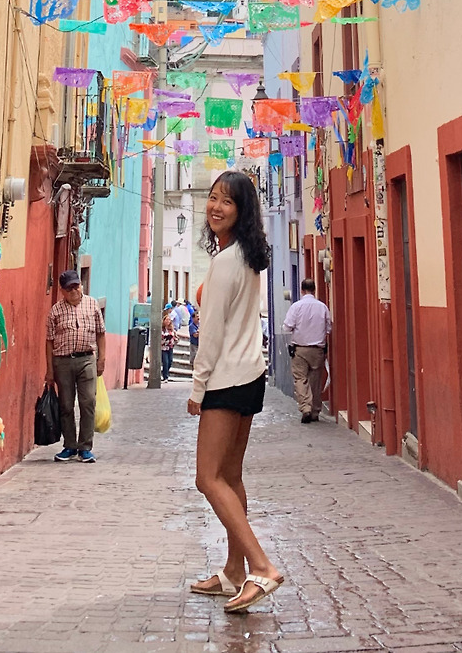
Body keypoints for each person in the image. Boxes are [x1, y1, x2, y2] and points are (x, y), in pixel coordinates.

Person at [187, 172, 284, 614]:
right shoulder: (246, 256)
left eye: (226, 201)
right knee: (231, 475)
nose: (215, 207)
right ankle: (232, 571)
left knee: (207, 478)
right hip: (250, 376)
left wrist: (197, 387)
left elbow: (211, 334)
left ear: (242, 211)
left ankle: (261, 567)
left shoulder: (226, 262)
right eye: (212, 198)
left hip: (226, 379)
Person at [45, 270, 105, 463]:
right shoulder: (55, 311)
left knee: (88, 401)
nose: (74, 291)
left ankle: (85, 447)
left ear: (81, 285)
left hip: (87, 359)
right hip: (62, 361)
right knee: (66, 404)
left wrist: (101, 359)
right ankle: (70, 445)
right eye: (69, 288)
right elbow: (49, 341)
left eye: (76, 286)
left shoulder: (92, 304)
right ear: (62, 290)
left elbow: (101, 333)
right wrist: (49, 370)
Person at [283, 279, 332, 423]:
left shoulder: (296, 307)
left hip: (300, 349)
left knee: (300, 379)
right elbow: (329, 328)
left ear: (302, 290)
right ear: (314, 290)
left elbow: (287, 327)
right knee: (315, 381)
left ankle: (305, 408)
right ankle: (315, 411)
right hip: (317, 350)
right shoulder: (322, 307)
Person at [161, 304, 178, 381]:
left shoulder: (171, 329)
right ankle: (165, 376)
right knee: (165, 362)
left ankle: (165, 372)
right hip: (163, 347)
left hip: (170, 347)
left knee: (170, 361)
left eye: (169, 320)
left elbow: (175, 336)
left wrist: (175, 338)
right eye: (166, 320)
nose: (168, 321)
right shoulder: (162, 329)